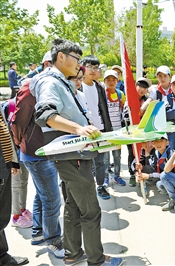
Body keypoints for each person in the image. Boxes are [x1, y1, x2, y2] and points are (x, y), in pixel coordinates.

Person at [32, 38, 122, 266]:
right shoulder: (51, 83)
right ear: (61, 57)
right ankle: (97, 260)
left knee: (73, 206)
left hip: (75, 155)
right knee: (91, 210)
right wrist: (80, 128)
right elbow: (45, 115)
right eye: (76, 59)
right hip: (73, 156)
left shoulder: (61, 82)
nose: (79, 64)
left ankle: (73, 254)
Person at [11, 53, 64, 258]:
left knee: (43, 195)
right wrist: (21, 144)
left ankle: (38, 232)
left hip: (48, 150)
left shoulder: (54, 85)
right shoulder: (31, 86)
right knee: (52, 199)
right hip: (36, 152)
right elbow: (18, 120)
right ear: (46, 64)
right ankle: (53, 241)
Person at [81, 55, 114, 200]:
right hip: (84, 131)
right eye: (90, 67)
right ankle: (87, 189)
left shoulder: (99, 86)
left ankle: (100, 186)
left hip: (101, 129)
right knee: (86, 161)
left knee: (101, 160)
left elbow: (103, 109)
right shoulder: (77, 85)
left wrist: (109, 130)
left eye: (96, 68)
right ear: (82, 67)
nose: (93, 71)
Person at [0, 108, 29, 266]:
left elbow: (3, 131)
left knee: (2, 214)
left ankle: (3, 257)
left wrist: (12, 160)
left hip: (4, 165)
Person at [1, 99, 33, 229]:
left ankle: (22, 209)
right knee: (15, 185)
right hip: (8, 158)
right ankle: (16, 215)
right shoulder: (10, 105)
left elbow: (6, 136)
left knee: (23, 182)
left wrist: (13, 159)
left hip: (13, 157)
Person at [127, 77, 152, 187]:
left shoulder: (147, 101)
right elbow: (125, 116)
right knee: (132, 153)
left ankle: (143, 174)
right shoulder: (129, 99)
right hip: (131, 131)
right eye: (140, 86)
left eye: (145, 87)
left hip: (143, 132)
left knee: (143, 153)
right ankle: (132, 174)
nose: (142, 89)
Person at [103, 70, 126, 187]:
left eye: (113, 80)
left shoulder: (120, 94)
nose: (111, 82)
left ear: (118, 81)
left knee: (117, 155)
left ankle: (117, 175)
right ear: (104, 81)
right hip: (106, 131)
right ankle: (106, 177)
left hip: (118, 131)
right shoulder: (101, 94)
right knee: (105, 156)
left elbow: (125, 110)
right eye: (108, 80)